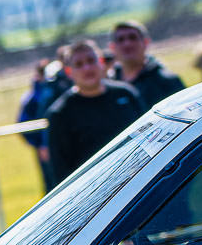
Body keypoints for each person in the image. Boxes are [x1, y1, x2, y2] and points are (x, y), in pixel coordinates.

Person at [46, 39, 145, 183]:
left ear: (101, 62)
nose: (87, 68)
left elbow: (148, 136)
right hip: (97, 187)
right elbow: (60, 171)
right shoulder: (60, 113)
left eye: (91, 61)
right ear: (68, 71)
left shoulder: (126, 94)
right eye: (79, 64)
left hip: (141, 178)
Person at [17, 54, 71, 192]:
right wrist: (41, 144)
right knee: (52, 185)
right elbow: (24, 124)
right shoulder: (33, 97)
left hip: (62, 144)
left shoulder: (59, 87)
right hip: (45, 147)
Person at [108, 19, 185, 111]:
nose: (127, 44)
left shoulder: (168, 81)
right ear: (112, 47)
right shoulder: (107, 86)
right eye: (120, 39)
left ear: (146, 42)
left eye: (133, 38)